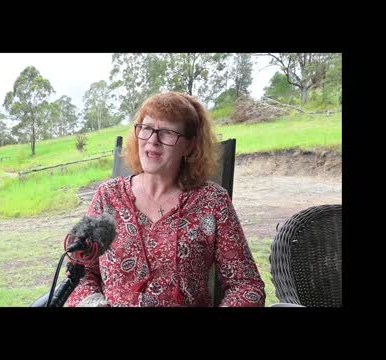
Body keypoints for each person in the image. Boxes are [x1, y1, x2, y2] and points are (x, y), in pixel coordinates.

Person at [67, 92, 265, 307]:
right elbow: (79, 270)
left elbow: (246, 285)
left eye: (167, 132)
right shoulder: (108, 196)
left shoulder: (213, 201)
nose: (153, 140)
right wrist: (94, 304)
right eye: (147, 128)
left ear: (189, 146)